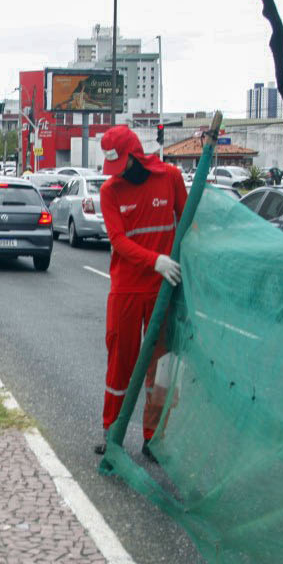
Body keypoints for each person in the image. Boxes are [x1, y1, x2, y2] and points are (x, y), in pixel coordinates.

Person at [95, 124, 187, 455]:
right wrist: (155, 260)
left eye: (123, 164)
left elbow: (187, 224)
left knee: (161, 367)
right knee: (121, 361)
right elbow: (118, 241)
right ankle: (113, 431)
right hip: (127, 290)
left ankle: (154, 437)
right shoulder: (110, 191)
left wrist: (178, 267)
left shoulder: (170, 177)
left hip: (164, 289)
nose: (119, 173)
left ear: (135, 154)